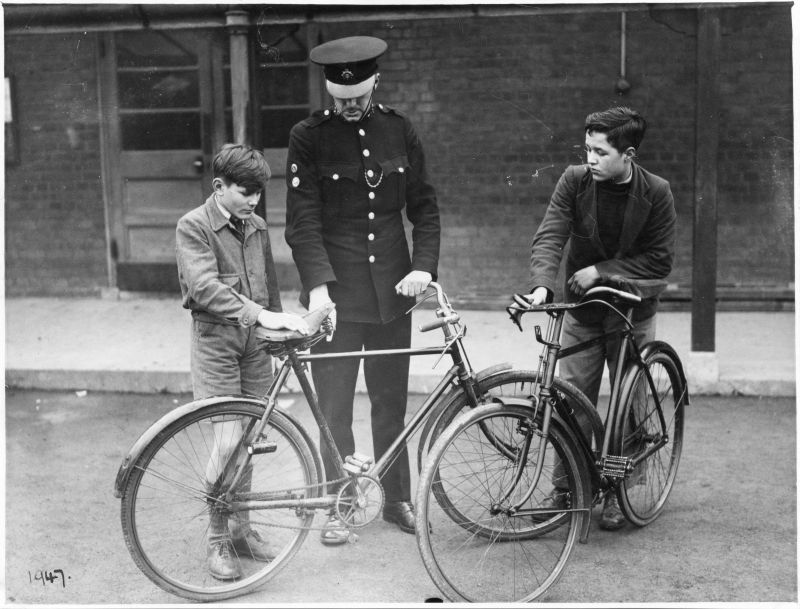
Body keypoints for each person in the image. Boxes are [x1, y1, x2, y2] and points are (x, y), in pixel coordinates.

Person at [284, 35, 441, 545]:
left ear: (376, 83)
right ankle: (338, 501)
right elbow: (302, 222)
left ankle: (396, 498)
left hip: (394, 291)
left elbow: (425, 208)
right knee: (334, 405)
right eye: (339, 99)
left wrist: (424, 268)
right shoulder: (308, 136)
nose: (348, 107)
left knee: (390, 401)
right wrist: (319, 290)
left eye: (356, 98)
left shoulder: (399, 129)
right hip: (337, 297)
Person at [523, 106, 676, 530]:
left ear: (627, 154)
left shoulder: (657, 192)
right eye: (586, 148)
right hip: (584, 310)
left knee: (629, 402)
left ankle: (618, 490)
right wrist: (542, 284)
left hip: (631, 311)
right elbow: (552, 231)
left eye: (598, 151)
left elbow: (659, 261)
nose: (588, 158)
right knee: (571, 398)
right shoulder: (574, 181)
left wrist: (602, 271)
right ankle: (566, 490)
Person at [176, 143, 310, 580]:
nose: (253, 199)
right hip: (216, 342)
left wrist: (279, 332)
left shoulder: (254, 225)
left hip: (255, 343)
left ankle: (242, 529)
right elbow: (202, 288)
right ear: (219, 186)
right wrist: (262, 314)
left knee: (251, 434)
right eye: (245, 190)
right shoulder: (193, 226)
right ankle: (217, 538)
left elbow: (268, 286)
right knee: (228, 437)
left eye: (258, 192)